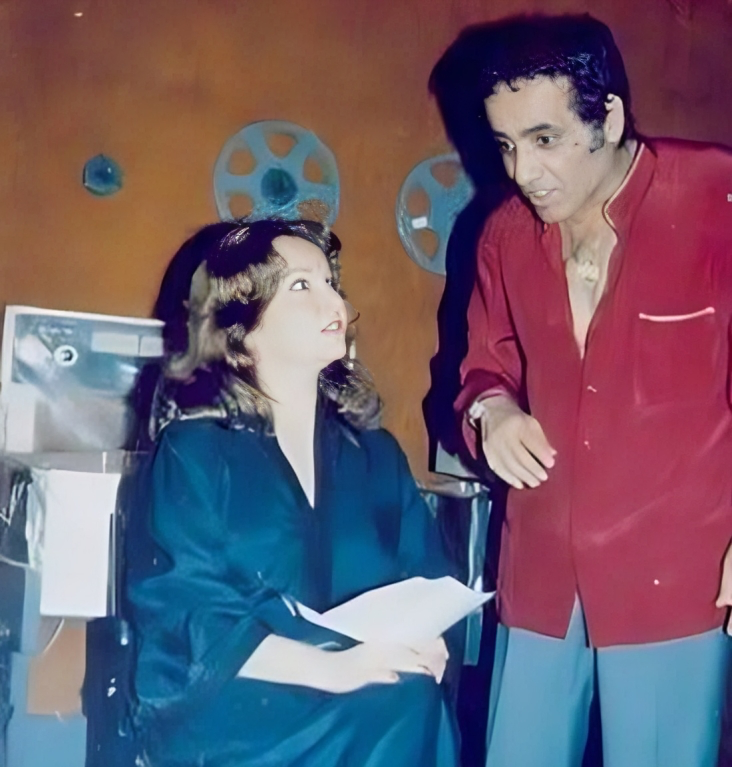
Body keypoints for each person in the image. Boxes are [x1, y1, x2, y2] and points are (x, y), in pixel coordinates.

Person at [451, 13, 732, 767]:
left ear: (607, 117)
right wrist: (492, 409)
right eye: (506, 145)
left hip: (674, 569)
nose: (523, 171)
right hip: (540, 573)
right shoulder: (504, 235)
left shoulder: (716, 198)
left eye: (545, 139)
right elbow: (482, 368)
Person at [124, 218, 462, 767]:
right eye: (302, 285)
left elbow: (423, 573)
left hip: (366, 688)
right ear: (242, 327)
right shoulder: (196, 453)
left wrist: (429, 638)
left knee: (411, 697)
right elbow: (184, 609)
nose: (333, 302)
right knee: (397, 706)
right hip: (237, 706)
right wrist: (330, 669)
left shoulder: (376, 457)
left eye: (331, 283)